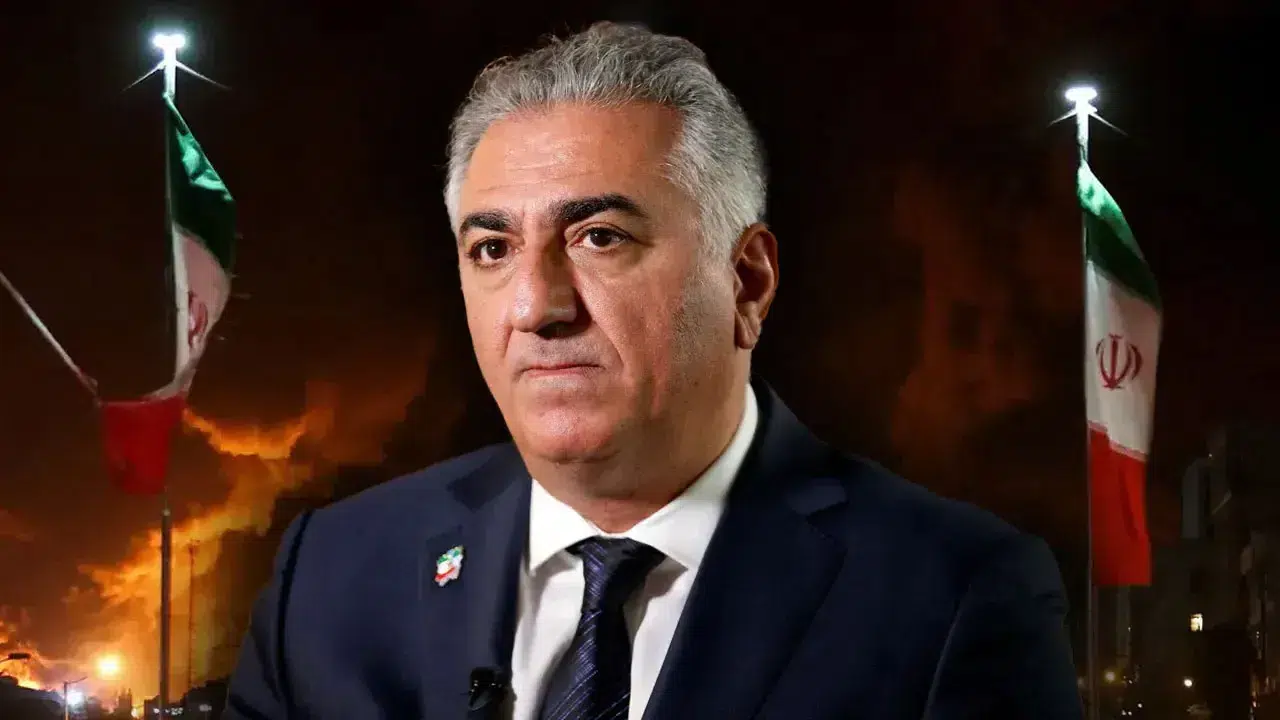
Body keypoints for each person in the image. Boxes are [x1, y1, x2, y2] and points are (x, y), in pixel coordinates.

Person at [224, 22, 1082, 720]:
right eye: (491, 248)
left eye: (600, 238)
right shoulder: (330, 576)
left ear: (747, 282)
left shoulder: (955, 595)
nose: (536, 305)